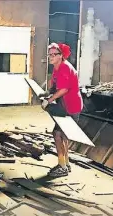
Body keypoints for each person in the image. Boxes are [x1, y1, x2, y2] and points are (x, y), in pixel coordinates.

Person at [42, 42, 83, 180]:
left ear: (61, 55)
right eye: (50, 54)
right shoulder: (57, 67)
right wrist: (47, 92)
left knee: (58, 134)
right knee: (62, 135)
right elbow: (55, 85)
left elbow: (64, 89)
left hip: (71, 106)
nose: (51, 56)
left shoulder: (65, 68)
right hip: (65, 104)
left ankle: (62, 167)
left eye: (54, 54)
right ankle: (66, 163)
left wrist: (48, 100)